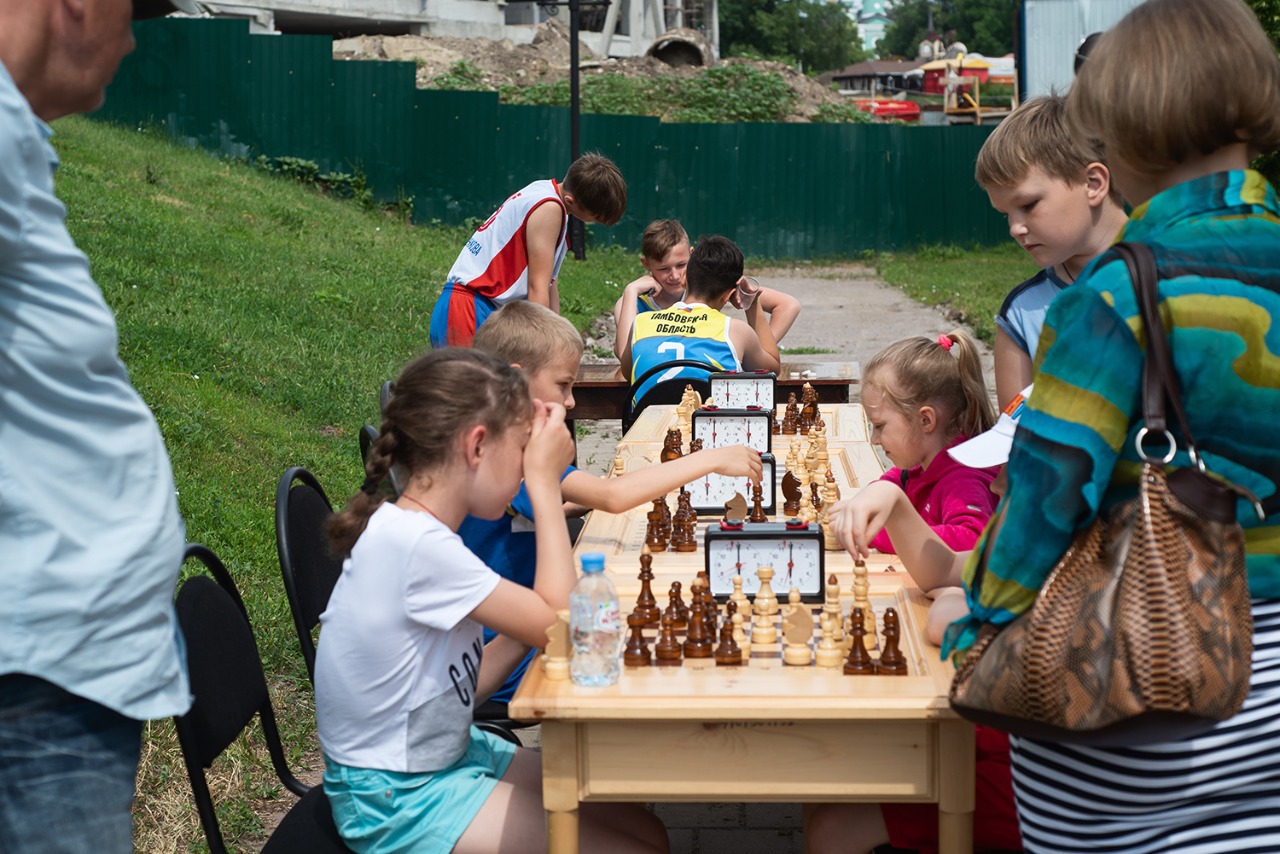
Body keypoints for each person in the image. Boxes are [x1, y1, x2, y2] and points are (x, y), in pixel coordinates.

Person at [949, 0, 1280, 850]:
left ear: (1119, 132)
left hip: (1147, 686)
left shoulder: (1117, 295)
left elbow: (1046, 499)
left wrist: (976, 623)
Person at [316, 348, 668, 853]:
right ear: (477, 446)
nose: (527, 464)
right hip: (396, 796)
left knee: (644, 829)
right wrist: (544, 485)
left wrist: (533, 629)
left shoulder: (418, 531)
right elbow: (562, 621)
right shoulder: (419, 547)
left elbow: (466, 680)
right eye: (522, 449)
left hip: (439, 753)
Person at [0, 0, 198, 851]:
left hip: (59, 671)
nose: (132, 39)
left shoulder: (19, 137)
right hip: (33, 683)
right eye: (137, 10)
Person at [465, 300, 763, 702]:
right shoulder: (510, 456)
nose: (571, 402)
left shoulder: (502, 445)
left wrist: (593, 493)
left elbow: (563, 501)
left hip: (511, 637)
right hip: (515, 660)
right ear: (516, 382)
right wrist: (710, 459)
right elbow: (612, 497)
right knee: (658, 656)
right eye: (563, 385)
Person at [804, 389, 1031, 854]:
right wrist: (892, 497)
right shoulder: (1021, 547)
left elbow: (944, 625)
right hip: (995, 743)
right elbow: (944, 570)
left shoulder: (1061, 563)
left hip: (1030, 781)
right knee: (834, 767)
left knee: (831, 825)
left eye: (1015, 469)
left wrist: (951, 601)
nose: (996, 483)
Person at [974, 95, 1128, 408]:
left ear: (1093, 183)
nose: (1015, 228)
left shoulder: (1180, 281)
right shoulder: (1021, 314)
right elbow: (1013, 443)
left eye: (1028, 205)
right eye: (1006, 214)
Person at [429, 153, 627, 348]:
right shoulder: (550, 208)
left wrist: (557, 335)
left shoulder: (544, 190)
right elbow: (537, 288)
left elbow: (549, 282)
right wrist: (545, 346)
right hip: (468, 310)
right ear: (571, 201)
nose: (596, 222)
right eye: (595, 217)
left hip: (472, 307)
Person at [856, 330, 998, 556]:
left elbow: (973, 541)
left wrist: (875, 533)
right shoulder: (918, 468)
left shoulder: (963, 480)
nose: (874, 440)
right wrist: (861, 506)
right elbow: (886, 486)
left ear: (925, 420)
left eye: (880, 426)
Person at [621, 234, 782, 403]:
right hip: (708, 427)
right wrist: (752, 301)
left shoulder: (641, 323)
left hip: (647, 427)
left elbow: (628, 372)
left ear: (684, 279)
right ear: (729, 295)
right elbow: (772, 368)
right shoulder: (735, 331)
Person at [609, 219, 801, 360]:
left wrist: (754, 350)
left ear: (692, 255)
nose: (674, 276)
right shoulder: (632, 303)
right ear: (646, 264)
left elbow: (788, 305)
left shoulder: (707, 283)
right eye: (663, 269)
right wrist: (631, 291)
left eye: (681, 265)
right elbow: (623, 354)